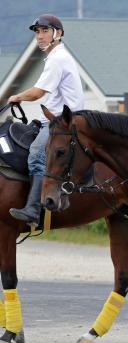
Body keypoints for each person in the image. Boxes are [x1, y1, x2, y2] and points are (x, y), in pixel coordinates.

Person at [8, 14, 84, 226]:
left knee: (36, 155)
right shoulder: (54, 57)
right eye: (37, 32)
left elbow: (38, 92)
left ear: (57, 34)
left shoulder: (58, 58)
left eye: (44, 31)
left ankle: (33, 210)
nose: (39, 36)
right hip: (52, 118)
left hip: (64, 122)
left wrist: (17, 97)